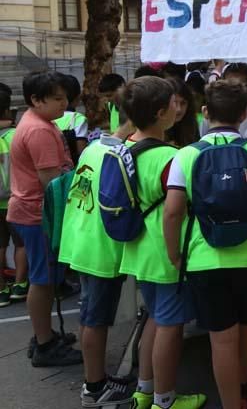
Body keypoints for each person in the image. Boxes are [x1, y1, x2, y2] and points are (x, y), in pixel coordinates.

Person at [163, 80, 247, 409]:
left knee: (221, 339)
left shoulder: (187, 155)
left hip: (205, 259)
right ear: (245, 112)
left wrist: (175, 252)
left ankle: (231, 404)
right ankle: (244, 391)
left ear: (205, 112)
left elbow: (173, 210)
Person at [118, 77, 207, 409]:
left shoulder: (126, 146)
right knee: (171, 325)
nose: (178, 108)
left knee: (154, 317)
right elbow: (176, 210)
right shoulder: (171, 156)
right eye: (174, 103)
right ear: (160, 112)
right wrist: (175, 255)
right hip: (165, 251)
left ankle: (144, 391)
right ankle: (165, 400)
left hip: (139, 249)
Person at [58, 114, 136, 408]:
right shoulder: (121, 154)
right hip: (100, 247)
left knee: (91, 315)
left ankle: (96, 378)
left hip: (80, 241)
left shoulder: (94, 146)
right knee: (95, 318)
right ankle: (94, 387)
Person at [7, 72, 78, 366]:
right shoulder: (39, 131)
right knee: (42, 280)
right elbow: (52, 182)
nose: (65, 105)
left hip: (28, 211)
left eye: (66, 98)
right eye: (58, 98)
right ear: (36, 99)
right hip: (37, 215)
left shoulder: (35, 122)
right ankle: (45, 344)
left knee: (45, 279)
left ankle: (44, 334)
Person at [0, 88, 27, 308]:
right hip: (15, 199)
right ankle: (19, 284)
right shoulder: (14, 136)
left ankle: (1, 289)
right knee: (20, 243)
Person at [54, 73, 88, 163]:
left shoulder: (48, 116)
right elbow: (82, 153)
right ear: (78, 97)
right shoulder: (78, 119)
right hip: (71, 170)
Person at [165, 78, 201, 148]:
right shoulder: (154, 127)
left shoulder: (191, 124)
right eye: (174, 102)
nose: (179, 109)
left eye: (183, 103)